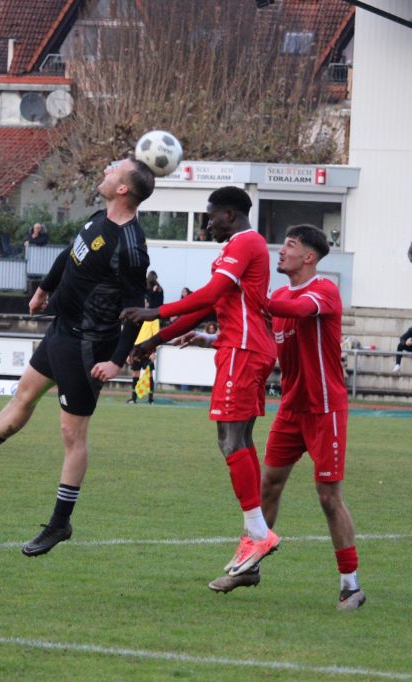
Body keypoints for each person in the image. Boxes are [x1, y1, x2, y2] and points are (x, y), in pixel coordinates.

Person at [0, 157, 156, 558]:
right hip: (62, 331)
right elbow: (70, 255)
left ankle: (60, 522)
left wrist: (117, 361)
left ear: (124, 189)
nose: (105, 170)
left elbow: (135, 310)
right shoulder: (99, 219)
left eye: (114, 170)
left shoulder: (131, 247)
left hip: (88, 346)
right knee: (23, 396)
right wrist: (44, 289)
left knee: (72, 435)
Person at [120, 185, 279, 578]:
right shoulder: (236, 249)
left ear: (229, 215)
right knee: (239, 440)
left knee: (230, 440)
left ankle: (258, 533)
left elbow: (211, 294)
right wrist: (156, 339)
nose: (207, 226)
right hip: (242, 348)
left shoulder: (246, 243)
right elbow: (210, 304)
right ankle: (255, 535)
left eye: (210, 217)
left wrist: (156, 311)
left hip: (243, 349)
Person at [204, 225, 364, 609]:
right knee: (267, 486)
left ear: (308, 256)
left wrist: (255, 298)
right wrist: (208, 337)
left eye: (290, 245)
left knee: (328, 497)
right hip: (291, 409)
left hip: (324, 409)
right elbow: (257, 331)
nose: (281, 251)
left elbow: (297, 309)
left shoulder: (323, 291)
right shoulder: (276, 295)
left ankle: (351, 585)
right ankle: (249, 567)